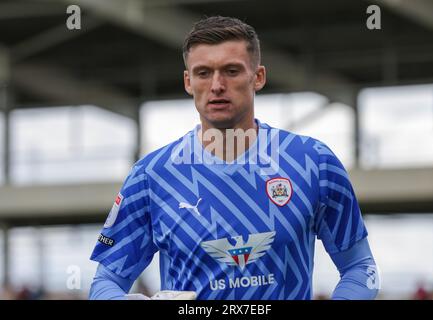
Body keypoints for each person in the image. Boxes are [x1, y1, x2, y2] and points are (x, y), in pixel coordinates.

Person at [89, 16, 379, 300]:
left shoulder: (313, 162)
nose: (217, 85)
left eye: (231, 71)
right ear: (189, 82)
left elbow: (360, 268)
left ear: (258, 77)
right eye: (204, 73)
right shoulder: (150, 176)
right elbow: (106, 282)